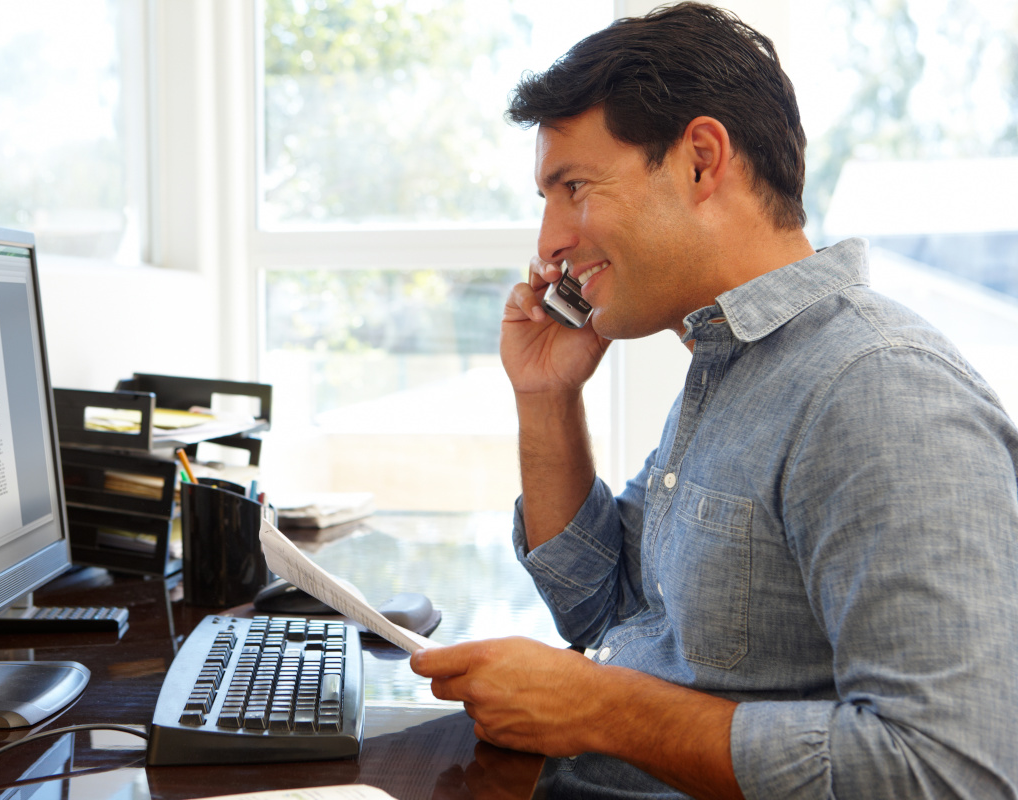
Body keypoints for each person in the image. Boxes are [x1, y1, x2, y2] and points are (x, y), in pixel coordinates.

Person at [409, 3, 1018, 799]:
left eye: (574, 188)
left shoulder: (878, 392)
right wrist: (546, 397)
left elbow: (948, 770)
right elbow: (606, 610)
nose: (549, 242)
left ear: (700, 160)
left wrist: (601, 710)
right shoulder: (731, 369)